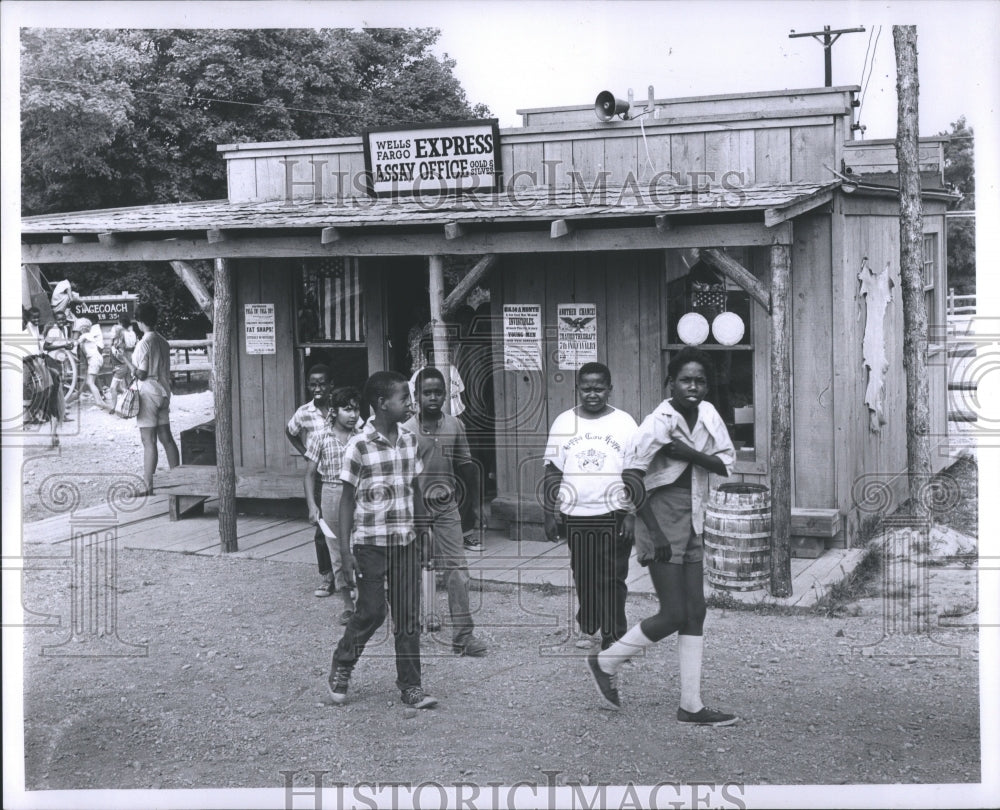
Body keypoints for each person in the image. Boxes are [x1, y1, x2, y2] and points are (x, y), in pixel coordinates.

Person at [586, 347, 738, 726]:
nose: (693, 387)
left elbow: (725, 464)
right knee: (673, 613)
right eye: (685, 379)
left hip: (694, 514)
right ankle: (605, 661)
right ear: (670, 382)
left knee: (696, 611)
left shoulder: (708, 415)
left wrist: (687, 452)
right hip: (659, 517)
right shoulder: (658, 421)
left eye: (700, 380)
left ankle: (691, 704)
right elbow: (632, 476)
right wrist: (651, 532)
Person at [327, 370, 437, 710]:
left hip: (405, 540)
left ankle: (411, 685)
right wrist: (345, 552)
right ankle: (343, 662)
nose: (410, 403)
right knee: (373, 610)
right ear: (380, 403)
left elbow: (414, 489)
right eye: (403, 398)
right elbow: (346, 500)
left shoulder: (409, 441)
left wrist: (424, 530)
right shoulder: (358, 446)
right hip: (370, 543)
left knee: (407, 617)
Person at [543, 362, 638, 653]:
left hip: (614, 513)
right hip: (576, 513)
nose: (592, 394)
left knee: (613, 576)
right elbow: (553, 472)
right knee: (583, 572)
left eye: (598, 388)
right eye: (586, 388)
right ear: (577, 389)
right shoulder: (563, 422)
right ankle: (588, 623)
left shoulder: (624, 423)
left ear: (610, 389)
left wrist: (632, 514)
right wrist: (549, 513)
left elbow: (634, 472)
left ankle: (613, 636)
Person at [402, 366, 488, 657]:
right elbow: (400, 476)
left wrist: (475, 507)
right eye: (427, 393)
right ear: (416, 397)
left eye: (439, 392)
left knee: (458, 572)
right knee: (410, 570)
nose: (433, 398)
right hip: (412, 508)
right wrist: (415, 513)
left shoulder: (454, 425)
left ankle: (463, 637)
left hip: (446, 506)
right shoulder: (406, 431)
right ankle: (408, 632)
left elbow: (466, 465)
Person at [304, 386, 362, 624]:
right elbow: (309, 475)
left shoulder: (362, 436)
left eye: (356, 409)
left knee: (362, 546)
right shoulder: (320, 436)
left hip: (360, 494)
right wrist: (312, 505)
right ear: (334, 412)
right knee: (337, 550)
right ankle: (348, 604)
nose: (353, 414)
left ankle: (370, 599)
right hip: (331, 492)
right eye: (347, 409)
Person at [286, 365, 338, 598]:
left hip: (341, 476)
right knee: (322, 527)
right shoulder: (304, 412)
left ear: (331, 385)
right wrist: (306, 452)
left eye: (322, 384)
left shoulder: (340, 409)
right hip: (319, 478)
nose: (318, 388)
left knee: (347, 525)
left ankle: (348, 574)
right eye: (313, 384)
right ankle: (327, 576)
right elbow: (290, 431)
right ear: (308, 386)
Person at [132, 302, 180, 495]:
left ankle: (148, 486)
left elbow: (142, 373)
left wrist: (128, 363)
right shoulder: (163, 341)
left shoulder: (145, 342)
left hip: (148, 392)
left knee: (148, 441)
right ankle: (178, 479)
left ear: (139, 321)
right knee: (167, 438)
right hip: (164, 391)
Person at [22, 307, 65, 446]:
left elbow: (36, 348)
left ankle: (29, 412)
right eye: (33, 318)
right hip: (30, 359)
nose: (36, 320)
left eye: (37, 317)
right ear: (28, 318)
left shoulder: (34, 329)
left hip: (33, 360)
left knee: (26, 383)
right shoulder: (26, 329)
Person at [72, 317, 112, 413]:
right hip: (95, 359)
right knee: (91, 381)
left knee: (90, 382)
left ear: (82, 329)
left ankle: (100, 402)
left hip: (94, 360)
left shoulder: (86, 336)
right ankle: (100, 401)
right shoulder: (88, 336)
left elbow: (74, 344)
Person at [105, 313, 138, 410]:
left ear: (120, 323)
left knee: (113, 387)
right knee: (129, 384)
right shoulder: (131, 333)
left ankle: (113, 407)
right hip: (129, 360)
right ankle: (130, 405)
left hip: (121, 362)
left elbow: (118, 349)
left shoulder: (120, 334)